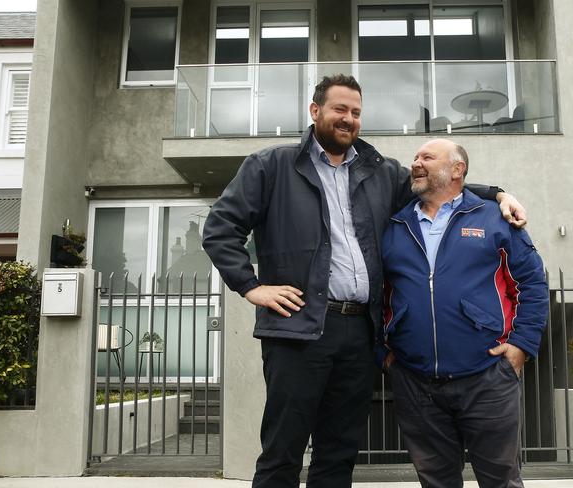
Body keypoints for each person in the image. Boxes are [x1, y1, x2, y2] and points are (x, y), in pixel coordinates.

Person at [202, 75, 526, 488]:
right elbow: (219, 229)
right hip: (299, 329)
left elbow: (441, 186)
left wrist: (498, 194)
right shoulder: (271, 166)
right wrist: (251, 286)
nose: (348, 119)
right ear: (315, 111)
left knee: (339, 451)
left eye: (355, 112)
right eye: (339, 109)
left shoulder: (381, 172)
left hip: (359, 332)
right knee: (283, 450)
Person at [379, 139, 548, 488]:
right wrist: (384, 352)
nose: (416, 163)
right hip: (415, 381)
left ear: (457, 169)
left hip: (487, 378)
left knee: (500, 480)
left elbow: (531, 283)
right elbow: (374, 292)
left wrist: (521, 346)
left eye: (428, 157)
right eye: (415, 157)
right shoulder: (394, 224)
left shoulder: (494, 219)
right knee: (436, 482)